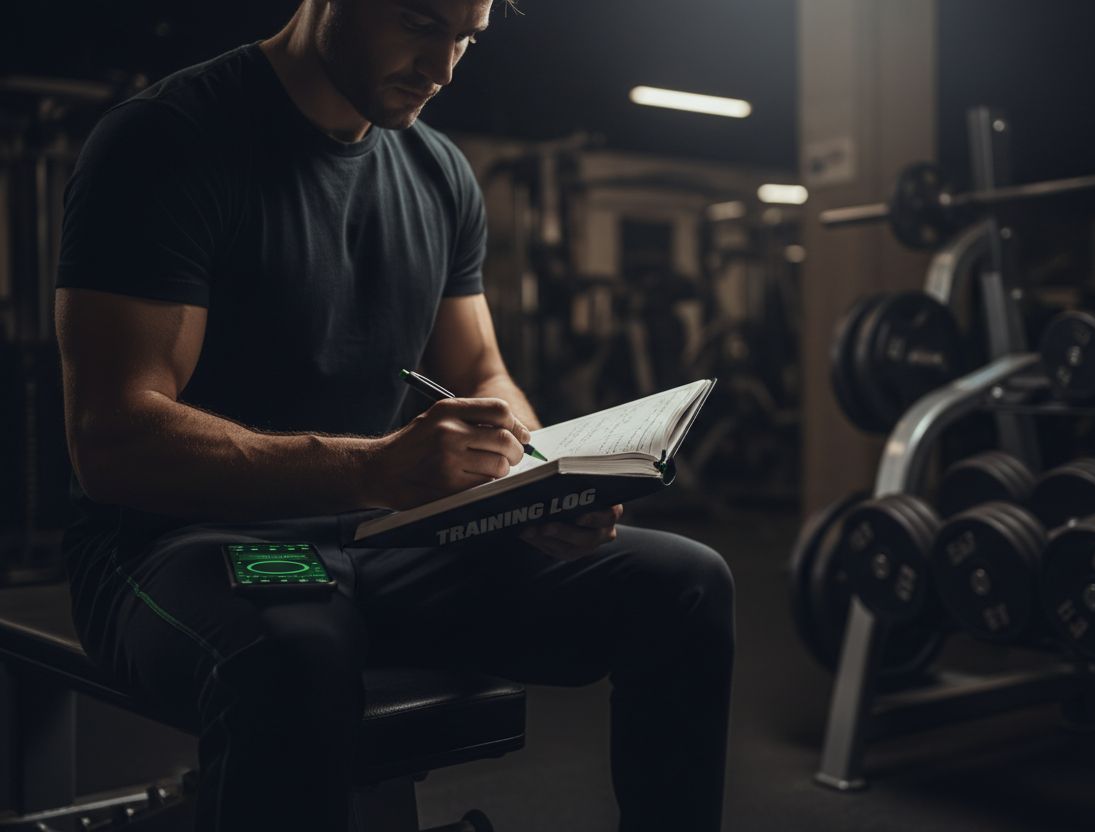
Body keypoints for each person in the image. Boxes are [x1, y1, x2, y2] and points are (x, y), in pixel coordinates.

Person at [52, 0, 735, 830]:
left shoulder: (440, 172)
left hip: (386, 538)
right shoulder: (167, 139)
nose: (442, 66)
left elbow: (481, 371)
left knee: (686, 585)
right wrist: (371, 469)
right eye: (419, 23)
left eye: (465, 39)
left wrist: (536, 483)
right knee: (295, 656)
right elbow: (113, 438)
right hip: (180, 541)